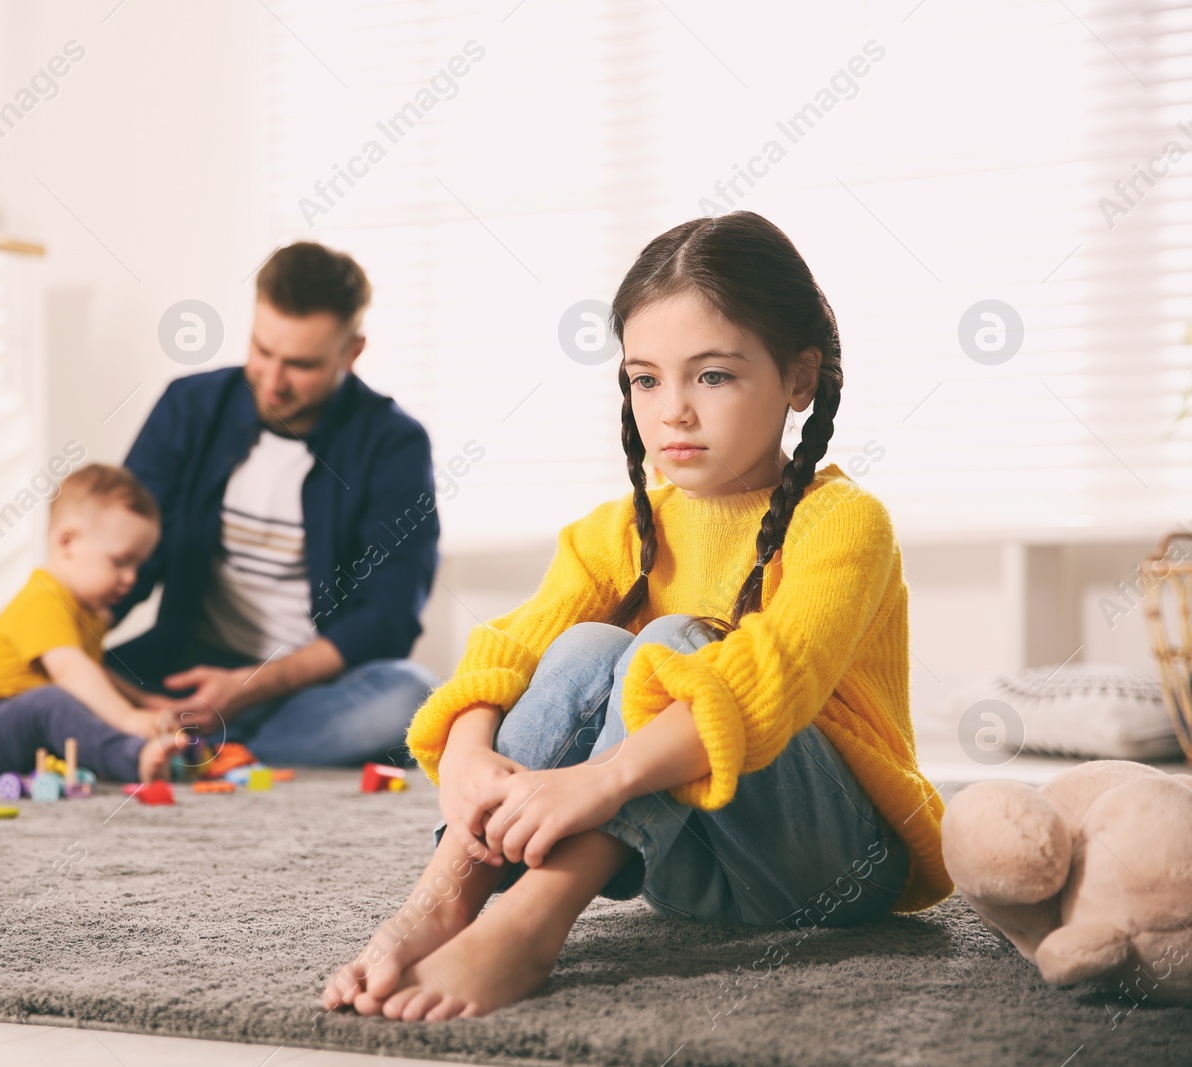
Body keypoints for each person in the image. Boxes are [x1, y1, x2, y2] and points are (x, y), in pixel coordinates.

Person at [322, 211, 952, 1021]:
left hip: (835, 860)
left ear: (799, 379)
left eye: (713, 376)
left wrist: (600, 778)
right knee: (586, 641)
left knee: (674, 641)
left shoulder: (843, 521)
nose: (673, 411)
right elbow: (510, 645)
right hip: (687, 868)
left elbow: (768, 684)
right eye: (646, 378)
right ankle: (447, 895)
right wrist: (472, 752)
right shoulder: (617, 528)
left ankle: (532, 916)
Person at [105, 242, 440, 767]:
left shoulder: (393, 444)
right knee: (47, 679)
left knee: (411, 695)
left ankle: (207, 748)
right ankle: (188, 738)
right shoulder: (189, 407)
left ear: (352, 352)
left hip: (307, 687)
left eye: (301, 364)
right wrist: (59, 640)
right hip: (183, 672)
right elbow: (121, 552)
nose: (273, 381)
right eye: (262, 351)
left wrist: (246, 687)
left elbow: (388, 618)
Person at [0, 464, 184, 783]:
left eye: (138, 565)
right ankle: (133, 757)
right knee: (55, 702)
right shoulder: (44, 598)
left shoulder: (90, 613)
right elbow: (70, 669)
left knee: (81, 699)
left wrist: (145, 702)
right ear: (67, 542)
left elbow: (94, 672)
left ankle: (137, 750)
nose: (131, 579)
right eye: (121, 561)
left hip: (21, 724)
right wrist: (127, 717)